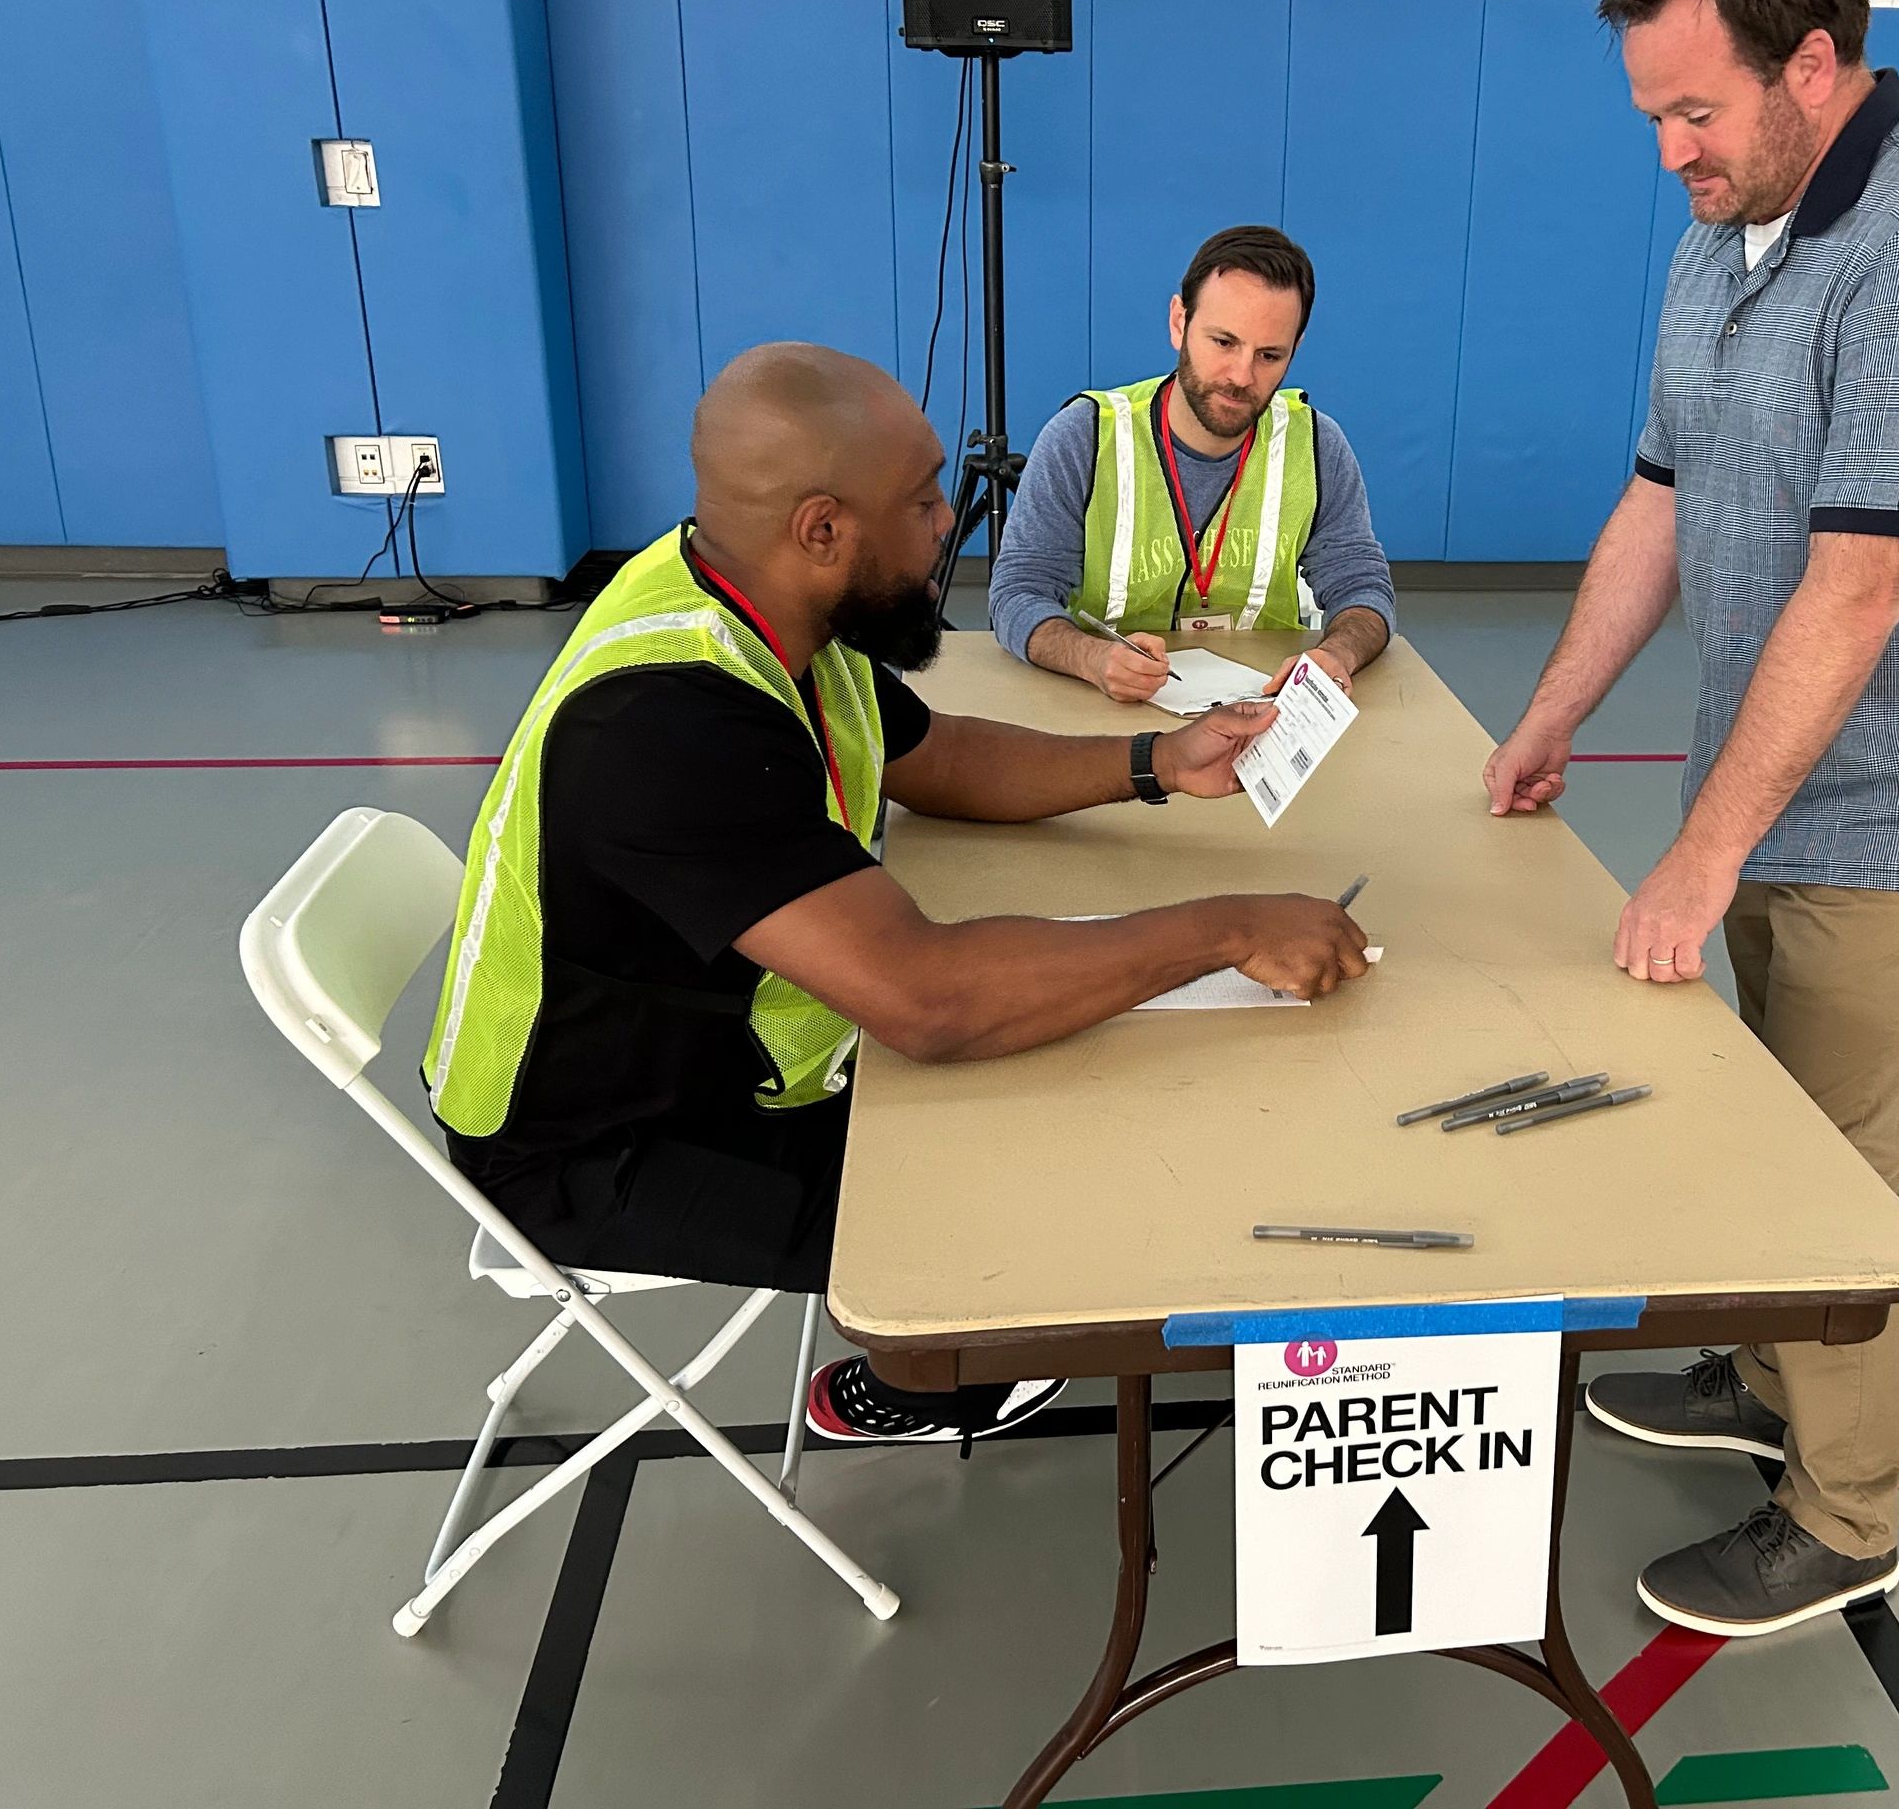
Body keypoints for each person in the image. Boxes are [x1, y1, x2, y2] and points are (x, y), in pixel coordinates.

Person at [1485, 0, 1899, 1636]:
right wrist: (1556, 710)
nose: (1669, 151)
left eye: (1695, 111)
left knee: (1831, 1158)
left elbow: (1862, 584)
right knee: (1762, 1101)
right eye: (1651, 115)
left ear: (1811, 66)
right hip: (1774, 764)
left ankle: (1843, 1517)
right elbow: (1660, 493)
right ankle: (1762, 1378)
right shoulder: (1731, 218)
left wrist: (1699, 854)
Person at [424, 343, 1370, 1447]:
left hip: (713, 1053)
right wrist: (1231, 926)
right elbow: (933, 1002)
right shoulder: (667, 723)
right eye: (922, 503)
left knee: (1069, 1074)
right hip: (606, 1141)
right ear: (822, 528)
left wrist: (1157, 762)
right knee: (1053, 1180)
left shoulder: (759, 600)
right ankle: (936, 1380)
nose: (946, 523)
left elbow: (939, 754)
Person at [988, 224, 1396, 702]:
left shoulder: (1316, 445)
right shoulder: (1084, 437)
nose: (1241, 376)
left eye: (1269, 355)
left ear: (1296, 348)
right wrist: (1090, 657)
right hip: (1106, 705)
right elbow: (1017, 591)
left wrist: (1338, 654)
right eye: (1223, 342)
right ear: (1179, 322)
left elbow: (1362, 585)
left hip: (1264, 708)